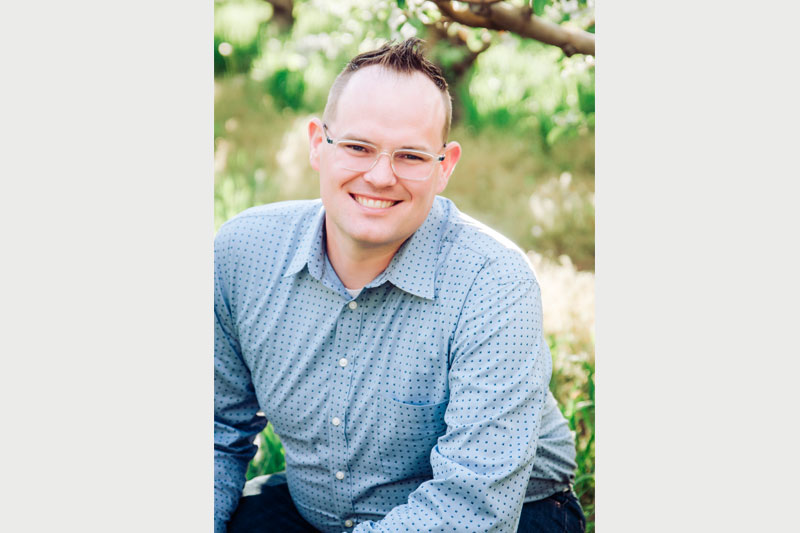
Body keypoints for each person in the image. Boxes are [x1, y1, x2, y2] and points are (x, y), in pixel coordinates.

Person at [215, 38, 584, 533]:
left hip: (509, 513)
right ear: (317, 145)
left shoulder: (493, 282)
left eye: (410, 156)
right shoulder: (243, 253)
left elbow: (472, 506)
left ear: (445, 166)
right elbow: (215, 430)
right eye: (358, 147)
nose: (380, 176)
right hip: (316, 511)